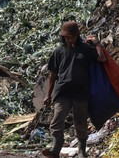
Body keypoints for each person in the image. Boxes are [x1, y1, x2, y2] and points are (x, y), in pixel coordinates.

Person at [41, 21, 106, 158]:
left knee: (80, 122)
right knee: (57, 120)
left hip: (81, 93)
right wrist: (48, 94)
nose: (69, 39)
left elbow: (101, 58)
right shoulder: (58, 52)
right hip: (62, 92)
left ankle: (82, 151)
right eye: (66, 37)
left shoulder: (86, 49)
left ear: (77, 35)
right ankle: (55, 149)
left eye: (71, 36)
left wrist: (97, 43)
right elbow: (53, 75)